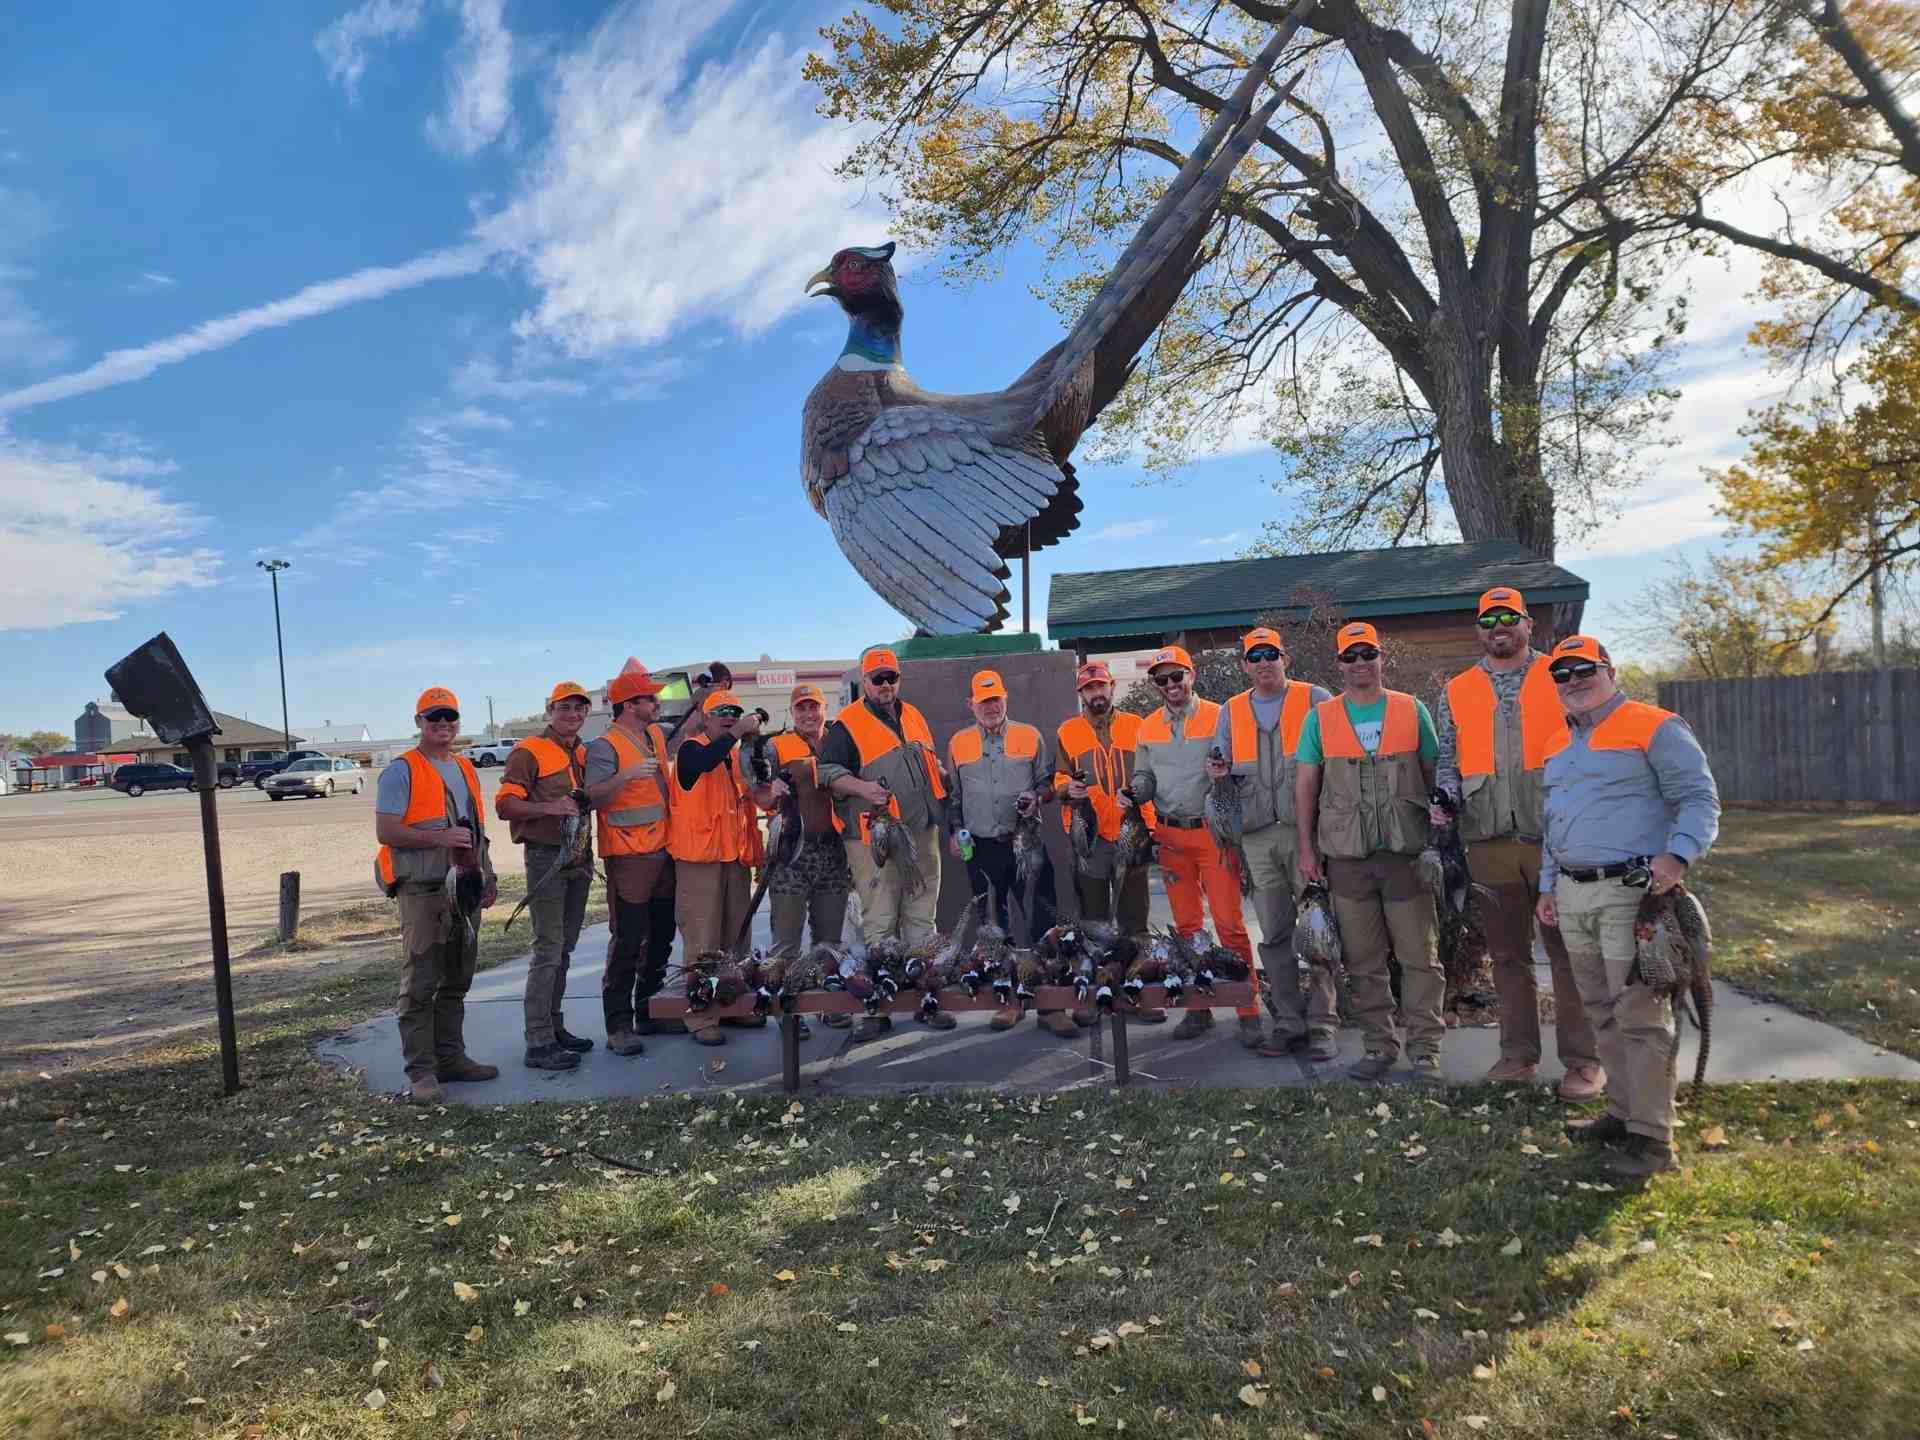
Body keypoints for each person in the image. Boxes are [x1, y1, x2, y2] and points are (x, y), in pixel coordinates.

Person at [1537, 635, 1720, 1177]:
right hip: (1573, 891)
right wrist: (1549, 884)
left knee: (1640, 1015)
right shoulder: (1557, 742)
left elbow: (1699, 798)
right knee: (1599, 1009)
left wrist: (1679, 856)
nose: (1572, 681)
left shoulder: (1656, 725)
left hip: (1633, 894)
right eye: (1561, 674)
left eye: (1583, 669)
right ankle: (1621, 1112)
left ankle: (1653, 1138)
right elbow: (1554, 824)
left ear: (1609, 669)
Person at [1434, 588, 1604, 1099]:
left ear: (1528, 623)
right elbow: (1448, 756)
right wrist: (1445, 793)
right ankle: (1517, 1055)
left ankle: (1583, 1060)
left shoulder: (1563, 675)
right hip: (1487, 840)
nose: (1498, 627)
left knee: (1569, 952)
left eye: (1509, 617)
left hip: (1556, 837)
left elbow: (1595, 743)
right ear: (1478, 629)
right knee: (1507, 956)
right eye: (1489, 620)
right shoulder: (1457, 689)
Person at [1295, 623, 1446, 1085]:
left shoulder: (1411, 709)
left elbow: (1431, 772)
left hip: (1405, 855)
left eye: (1369, 653)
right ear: (1339, 664)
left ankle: (1426, 1051)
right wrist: (1306, 847)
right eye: (1351, 655)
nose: (1361, 662)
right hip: (1348, 859)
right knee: (1363, 962)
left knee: (1420, 956)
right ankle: (1379, 1046)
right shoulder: (1320, 718)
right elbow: (1305, 784)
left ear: (1381, 658)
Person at [1205, 627, 1339, 1062]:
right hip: (1258, 838)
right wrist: (1217, 768)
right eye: (1254, 656)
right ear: (1244, 664)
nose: (1264, 662)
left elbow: (1337, 759)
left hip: (1307, 834)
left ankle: (1323, 1024)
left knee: (1318, 933)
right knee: (1275, 933)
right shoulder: (1231, 709)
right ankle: (1287, 1020)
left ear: (1285, 658)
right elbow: (1219, 760)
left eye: (1271, 654)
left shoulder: (1315, 698)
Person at [1130, 645, 1263, 1046]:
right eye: (1161, 679)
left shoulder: (1222, 715)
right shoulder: (1147, 727)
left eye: (1177, 676)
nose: (1170, 685)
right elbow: (1144, 776)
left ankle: (1248, 1008)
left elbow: (1243, 764)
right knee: (1187, 929)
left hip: (1213, 833)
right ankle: (1197, 1007)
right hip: (1170, 837)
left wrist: (1227, 772)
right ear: (1155, 685)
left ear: (1192, 675)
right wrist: (1134, 792)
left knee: (1228, 924)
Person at [373, 686, 498, 1105]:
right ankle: (422, 1072)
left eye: (449, 717)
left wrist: (488, 875)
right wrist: (437, 837)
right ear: (419, 723)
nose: (442, 724)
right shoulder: (401, 771)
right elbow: (386, 831)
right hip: (423, 891)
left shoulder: (465, 768)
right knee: (421, 982)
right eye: (433, 718)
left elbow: (476, 831)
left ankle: (452, 1059)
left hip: (464, 887)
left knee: (457, 979)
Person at [818, 646, 947, 1043]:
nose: (885, 685)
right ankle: (875, 1009)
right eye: (877, 679)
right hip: (875, 838)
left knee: (922, 917)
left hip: (921, 832)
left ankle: (926, 1000)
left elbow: (928, 763)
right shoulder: (846, 724)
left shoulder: (914, 715)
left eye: (891, 677)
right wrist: (864, 788)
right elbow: (827, 773)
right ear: (864, 681)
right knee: (880, 921)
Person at [948, 669, 1056, 1035]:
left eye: (996, 700)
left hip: (1025, 842)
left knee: (1043, 923)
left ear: (1005, 699)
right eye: (984, 701)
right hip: (980, 848)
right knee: (996, 931)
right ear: (971, 704)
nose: (991, 707)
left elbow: (1046, 782)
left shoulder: (1030, 735)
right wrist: (954, 832)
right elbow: (955, 797)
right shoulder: (959, 742)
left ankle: (1050, 1004)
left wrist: (1036, 797)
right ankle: (1009, 1000)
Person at [496, 682, 595, 1072]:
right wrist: (551, 807)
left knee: (566, 947)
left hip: (579, 855)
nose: (573, 714)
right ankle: (537, 1041)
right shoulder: (528, 751)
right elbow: (505, 805)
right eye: (565, 707)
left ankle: (555, 1028)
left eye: (579, 708)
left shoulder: (582, 751)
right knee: (548, 949)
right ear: (549, 710)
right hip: (546, 858)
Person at [584, 665, 673, 1058]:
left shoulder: (655, 735)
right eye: (649, 698)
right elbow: (594, 797)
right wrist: (627, 775)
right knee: (627, 942)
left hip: (665, 851)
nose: (657, 703)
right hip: (629, 857)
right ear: (628, 705)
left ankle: (648, 1010)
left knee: (661, 937)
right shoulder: (605, 747)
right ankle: (618, 1025)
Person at [670, 688, 765, 1046]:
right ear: (706, 717)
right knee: (703, 940)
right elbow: (704, 762)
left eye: (735, 711)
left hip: (734, 857)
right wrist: (738, 732)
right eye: (721, 710)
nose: (729, 715)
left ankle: (733, 1005)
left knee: (736, 938)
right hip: (699, 861)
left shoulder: (737, 755)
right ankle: (701, 1016)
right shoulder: (692, 749)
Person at [764, 683, 854, 1035]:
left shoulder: (838, 741)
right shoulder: (776, 746)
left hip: (834, 851)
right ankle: (789, 1013)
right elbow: (757, 790)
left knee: (829, 941)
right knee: (786, 941)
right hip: (791, 854)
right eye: (801, 708)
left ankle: (828, 1006)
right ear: (792, 712)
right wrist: (769, 791)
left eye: (813, 706)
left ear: (824, 709)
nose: (808, 714)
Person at [1054, 661, 1152, 935]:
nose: (1096, 692)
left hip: (1130, 834)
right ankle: (1100, 974)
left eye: (1100, 685)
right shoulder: (1067, 731)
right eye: (1088, 688)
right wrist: (1067, 789)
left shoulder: (1137, 726)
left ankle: (1134, 971)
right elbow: (1060, 776)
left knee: (1134, 920)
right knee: (1093, 920)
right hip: (1090, 840)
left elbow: (1151, 774)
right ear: (1080, 694)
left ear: (1112, 687)